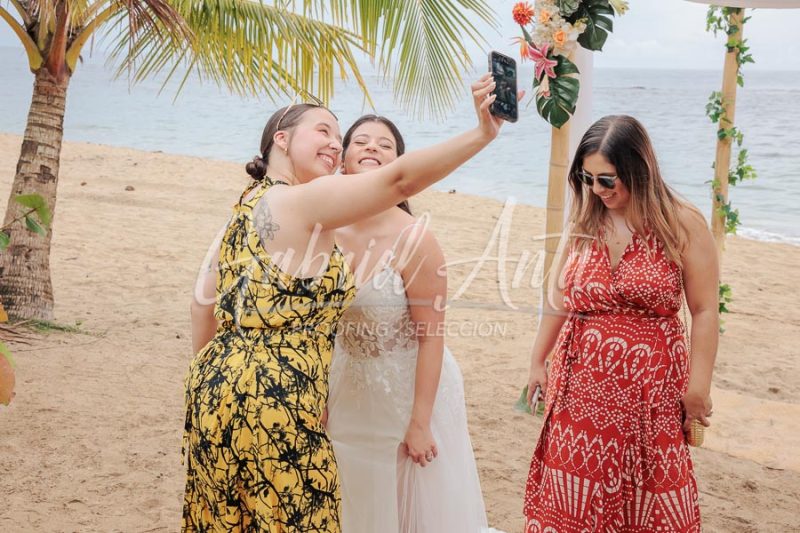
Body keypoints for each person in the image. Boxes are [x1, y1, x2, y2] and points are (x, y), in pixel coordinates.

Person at [183, 75, 510, 532]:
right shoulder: (305, 205)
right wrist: (482, 133)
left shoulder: (248, 205)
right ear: (282, 139)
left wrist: (214, 382)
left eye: (339, 138)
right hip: (282, 398)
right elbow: (400, 181)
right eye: (327, 133)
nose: (336, 146)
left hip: (217, 389)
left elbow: (203, 303)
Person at [523, 115, 719, 532]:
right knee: (572, 500)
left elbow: (704, 310)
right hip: (580, 389)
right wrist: (537, 360)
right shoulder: (585, 221)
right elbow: (559, 300)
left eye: (607, 180)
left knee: (649, 501)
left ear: (638, 169)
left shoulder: (681, 223)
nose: (596, 190)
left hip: (650, 394)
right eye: (587, 178)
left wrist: (698, 387)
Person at [325, 115, 499, 532]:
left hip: (409, 392)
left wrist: (419, 422)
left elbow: (432, 337)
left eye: (385, 145)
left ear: (401, 165)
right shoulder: (325, 230)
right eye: (361, 141)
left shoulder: (415, 239)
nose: (371, 148)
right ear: (343, 160)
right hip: (345, 387)